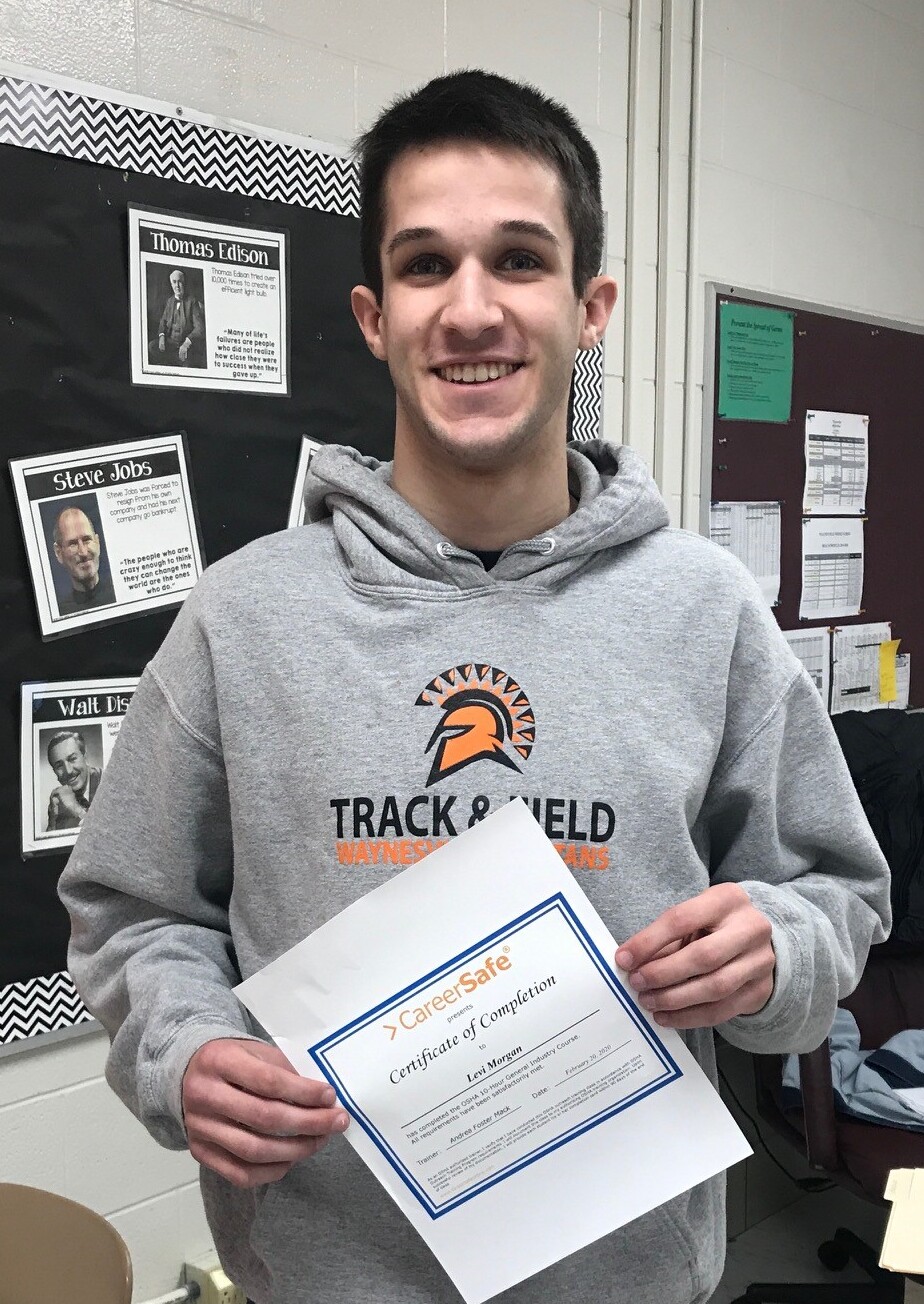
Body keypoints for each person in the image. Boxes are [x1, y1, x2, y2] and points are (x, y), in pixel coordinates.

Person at [60, 71, 890, 1304]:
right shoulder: (243, 618)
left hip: (633, 1277)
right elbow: (132, 910)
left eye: (518, 259)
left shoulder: (705, 610)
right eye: (424, 264)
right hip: (325, 1274)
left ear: (589, 304)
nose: (471, 308)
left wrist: (775, 949)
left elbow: (837, 892)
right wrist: (182, 1049)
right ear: (372, 315)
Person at [52, 504, 116, 614]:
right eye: (73, 544)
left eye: (87, 540)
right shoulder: (60, 613)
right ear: (59, 552)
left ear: (97, 543)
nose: (83, 552)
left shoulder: (123, 593)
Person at [45, 730, 101, 830]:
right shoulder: (59, 800)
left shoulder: (107, 782)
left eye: (72, 759)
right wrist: (52, 823)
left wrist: (76, 809)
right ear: (54, 772)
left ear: (85, 757)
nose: (69, 771)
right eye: (59, 765)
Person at [150, 267, 206, 366]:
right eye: (174, 282)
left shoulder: (192, 302)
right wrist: (162, 336)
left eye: (180, 282)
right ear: (171, 284)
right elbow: (163, 321)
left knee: (188, 365)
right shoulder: (170, 301)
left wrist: (186, 344)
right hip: (170, 343)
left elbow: (200, 328)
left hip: (185, 345)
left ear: (184, 283)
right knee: (152, 347)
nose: (177, 286)